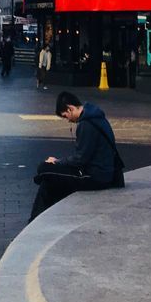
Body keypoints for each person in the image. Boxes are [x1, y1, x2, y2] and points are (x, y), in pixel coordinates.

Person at [31, 92, 122, 221]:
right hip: (101, 171)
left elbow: (80, 159)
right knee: (47, 180)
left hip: (95, 175)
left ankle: (34, 220)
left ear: (70, 108)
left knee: (43, 168)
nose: (68, 120)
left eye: (65, 116)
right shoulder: (95, 117)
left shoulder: (86, 124)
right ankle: (37, 219)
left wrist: (57, 162)